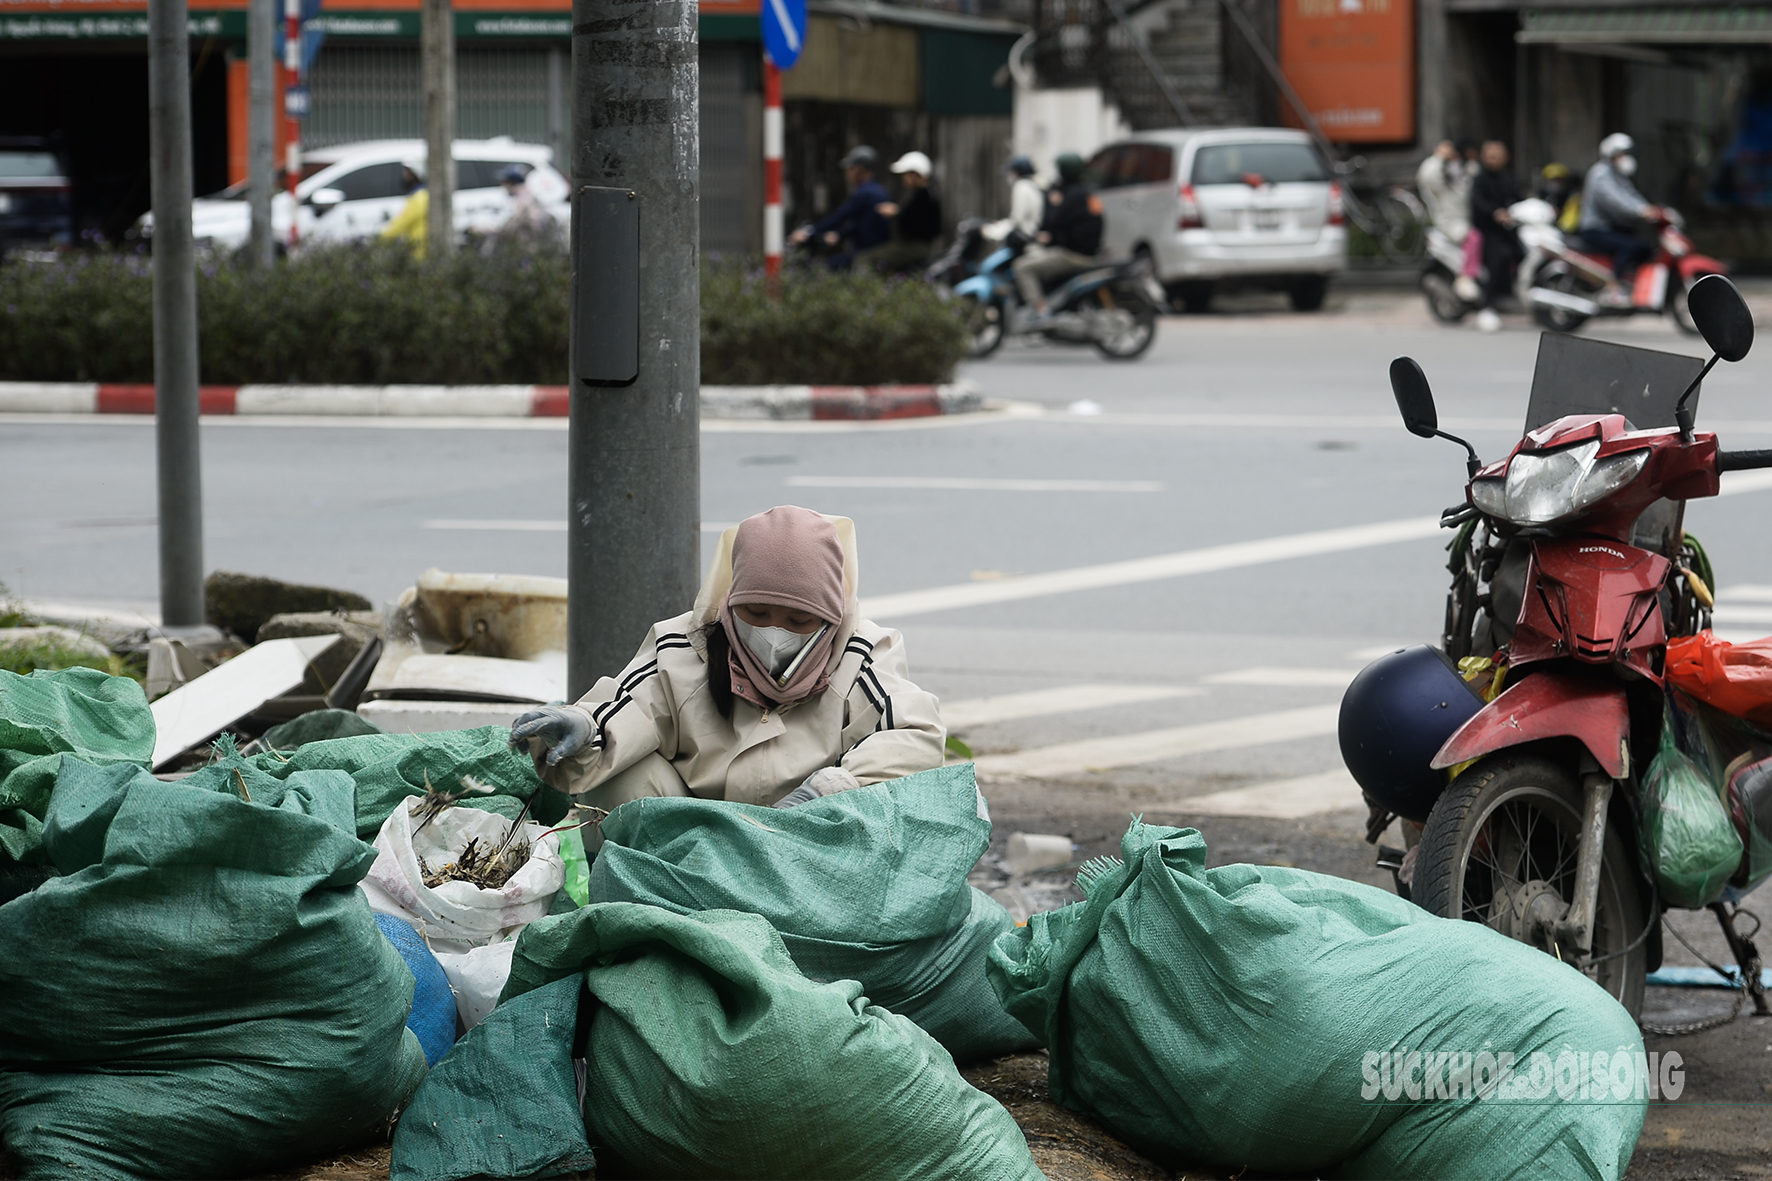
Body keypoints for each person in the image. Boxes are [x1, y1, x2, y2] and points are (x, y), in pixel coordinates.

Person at [509, 506, 945, 840]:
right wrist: (584, 725)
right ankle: (649, 908)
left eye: (799, 621)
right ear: (732, 603)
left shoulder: (862, 653)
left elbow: (915, 735)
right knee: (618, 774)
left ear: (831, 617)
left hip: (809, 845)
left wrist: (829, 788)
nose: (776, 633)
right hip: (694, 844)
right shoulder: (685, 645)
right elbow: (632, 706)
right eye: (757, 612)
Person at [1011, 150, 1103, 319]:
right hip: (1090, 252)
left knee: (1022, 267)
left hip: (1073, 255)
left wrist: (1050, 234)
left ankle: (1041, 311)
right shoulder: (1087, 193)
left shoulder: (1070, 196)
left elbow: (1056, 221)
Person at [1577, 133, 1660, 308]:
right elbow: (1615, 200)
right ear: (1613, 155)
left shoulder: (1617, 175)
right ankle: (1612, 288)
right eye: (1624, 154)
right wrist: (1640, 210)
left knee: (1644, 246)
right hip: (1594, 229)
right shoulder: (1600, 174)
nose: (1628, 159)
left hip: (1611, 228)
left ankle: (1632, 286)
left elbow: (1631, 195)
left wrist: (1650, 208)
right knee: (1628, 246)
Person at [789, 146, 892, 270]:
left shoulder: (866, 193)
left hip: (866, 253)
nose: (847, 173)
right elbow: (862, 224)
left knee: (822, 269)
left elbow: (840, 216)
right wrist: (839, 234)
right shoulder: (878, 190)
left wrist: (810, 232)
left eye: (850, 168)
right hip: (869, 249)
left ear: (860, 168)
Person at [859, 151, 943, 276]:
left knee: (864, 259)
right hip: (917, 246)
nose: (903, 179)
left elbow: (917, 225)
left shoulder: (924, 196)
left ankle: (867, 293)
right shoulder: (926, 193)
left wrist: (896, 214)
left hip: (915, 247)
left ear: (916, 174)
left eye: (906, 175)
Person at [1468, 139, 1521, 332]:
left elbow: (1517, 197)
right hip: (1487, 230)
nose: (1493, 158)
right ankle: (1487, 305)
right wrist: (1495, 212)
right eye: (1490, 154)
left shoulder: (1508, 177)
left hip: (1508, 228)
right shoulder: (1480, 178)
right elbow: (1478, 202)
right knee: (1495, 261)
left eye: (1497, 154)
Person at [1415, 139, 1478, 302]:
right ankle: (1466, 278)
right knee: (1475, 238)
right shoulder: (1437, 177)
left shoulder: (1464, 172)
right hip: (1449, 224)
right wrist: (1439, 156)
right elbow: (1428, 176)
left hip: (1465, 220)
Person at [380, 160, 430, 259]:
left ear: (414, 175)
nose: (404, 176)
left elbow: (400, 223)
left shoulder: (419, 198)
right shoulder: (420, 196)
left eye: (407, 173)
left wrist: (381, 237)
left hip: (419, 253)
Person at [495, 164, 550, 243]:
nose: (503, 186)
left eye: (505, 183)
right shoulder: (525, 194)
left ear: (511, 183)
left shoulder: (523, 199)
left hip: (529, 242)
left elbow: (511, 226)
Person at [1005, 154, 1044, 238]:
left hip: (1024, 236)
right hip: (1033, 233)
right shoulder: (1033, 185)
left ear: (1017, 172)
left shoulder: (1021, 186)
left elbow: (1017, 218)